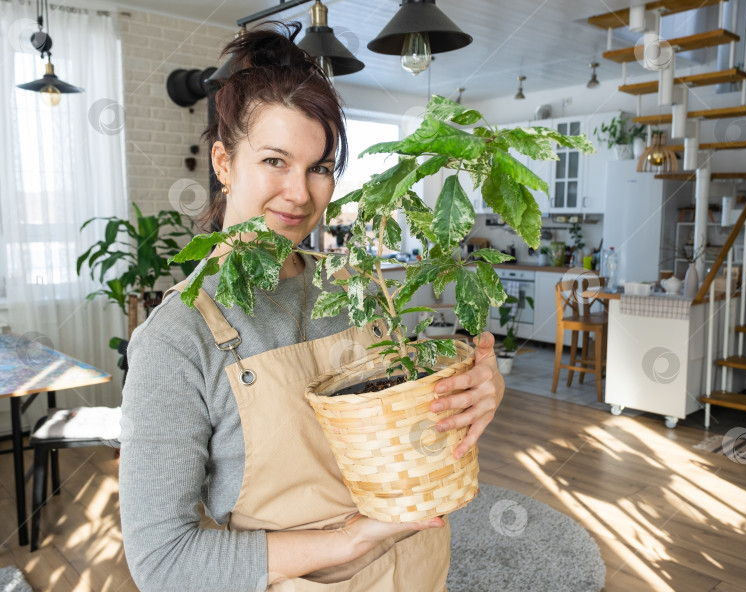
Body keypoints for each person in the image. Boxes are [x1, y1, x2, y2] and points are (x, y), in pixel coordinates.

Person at [119, 22, 505, 592]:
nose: (301, 193)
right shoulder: (178, 338)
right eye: (275, 160)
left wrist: (471, 399)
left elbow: (408, 435)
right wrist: (353, 537)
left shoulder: (355, 287)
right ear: (224, 164)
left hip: (422, 568)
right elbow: (163, 562)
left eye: (320, 167)